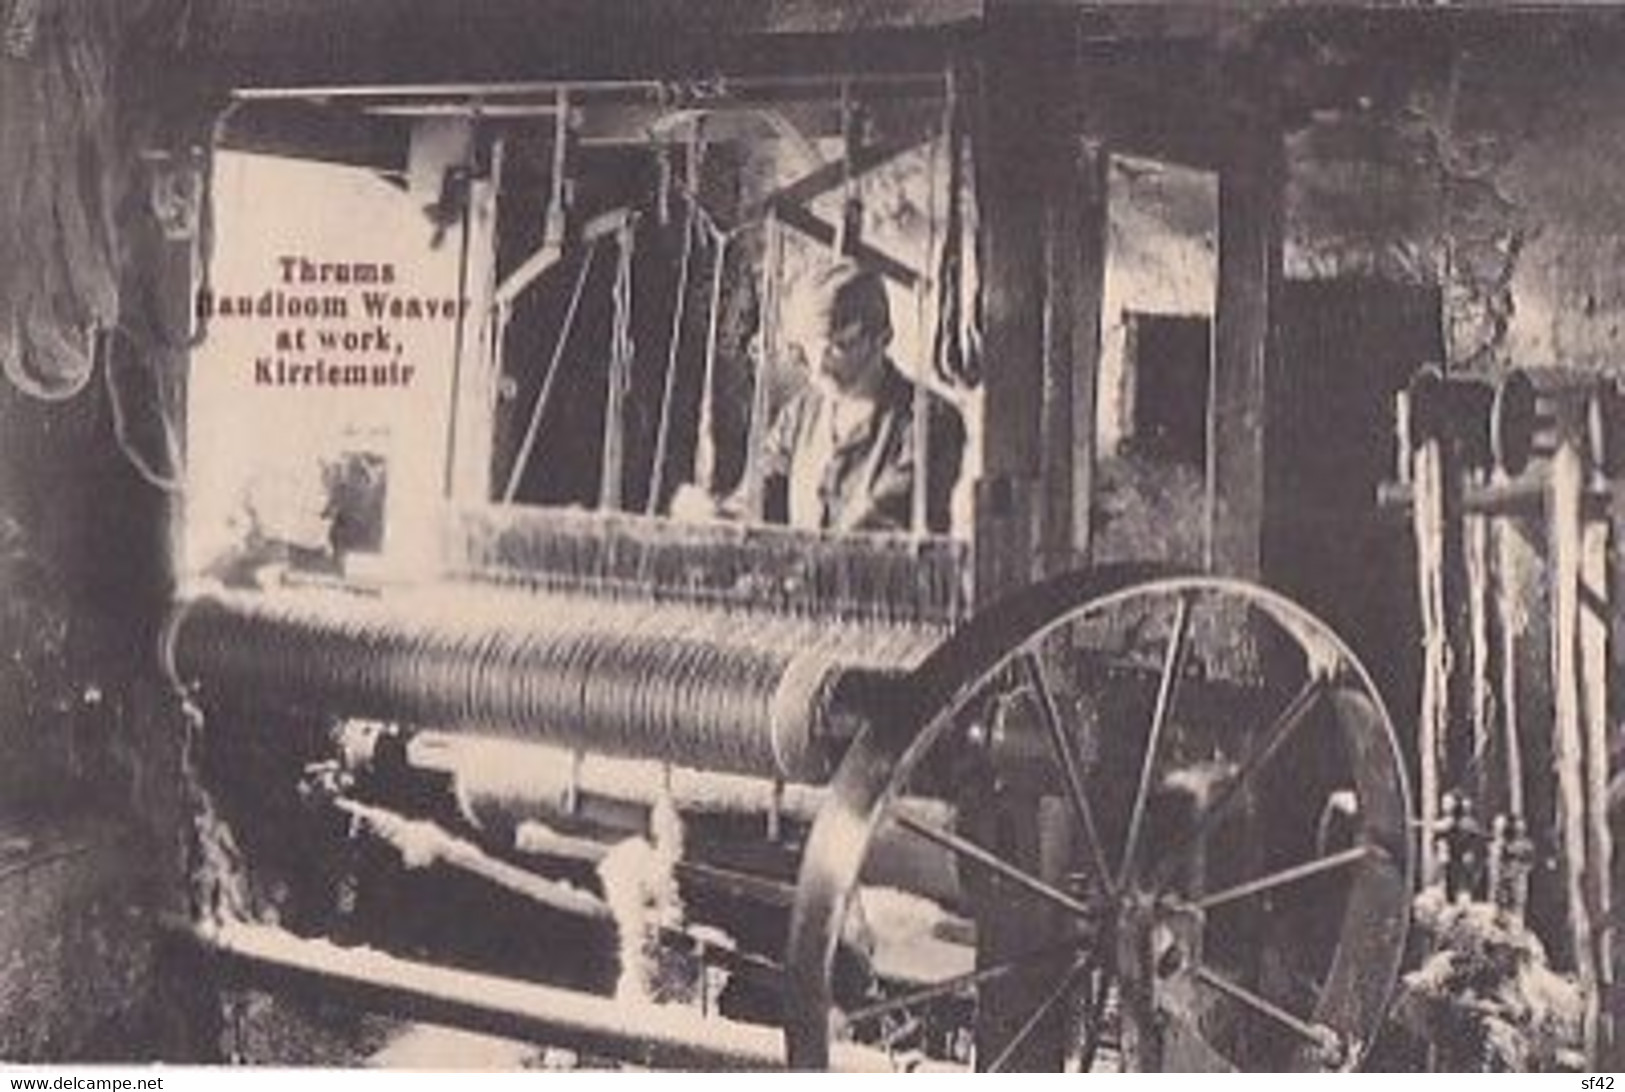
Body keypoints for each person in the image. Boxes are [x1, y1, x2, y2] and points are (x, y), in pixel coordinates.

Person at [674, 260, 965, 535]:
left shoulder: (931, 421)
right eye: (807, 349)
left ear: (882, 337)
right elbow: (759, 496)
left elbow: (885, 519)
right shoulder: (799, 415)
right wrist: (716, 515)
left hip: (883, 583)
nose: (818, 365)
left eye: (838, 347)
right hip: (805, 580)